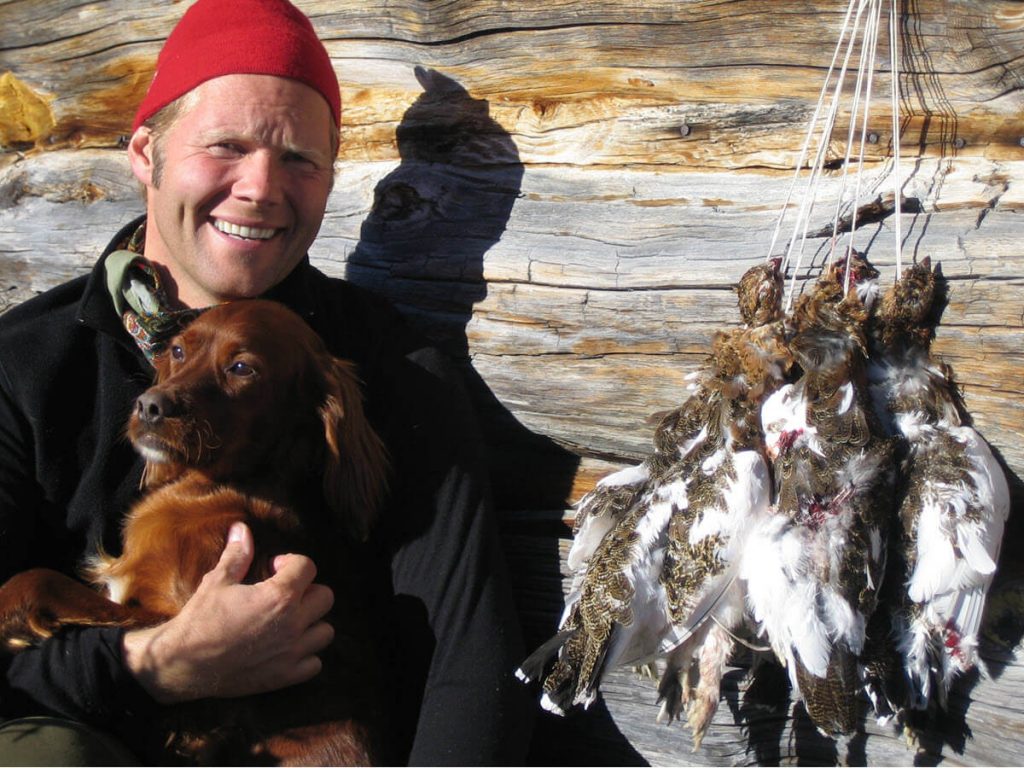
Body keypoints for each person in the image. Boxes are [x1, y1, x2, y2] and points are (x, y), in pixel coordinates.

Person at [0, 0, 532, 763]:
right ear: (146, 153)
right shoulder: (26, 363)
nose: (260, 187)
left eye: (299, 161)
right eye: (227, 145)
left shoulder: (389, 370)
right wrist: (156, 666)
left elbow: (471, 665)